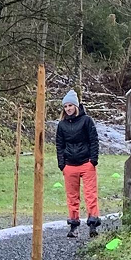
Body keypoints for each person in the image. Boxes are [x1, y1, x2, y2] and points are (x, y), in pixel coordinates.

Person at [55, 89, 100, 237]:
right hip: (70, 165)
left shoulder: (87, 120)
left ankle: (93, 224)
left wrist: (93, 160)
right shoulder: (61, 125)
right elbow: (59, 145)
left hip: (86, 163)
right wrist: (62, 164)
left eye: (70, 105)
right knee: (72, 197)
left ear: (76, 106)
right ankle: (73, 226)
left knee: (90, 194)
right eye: (65, 106)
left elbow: (94, 140)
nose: (68, 109)